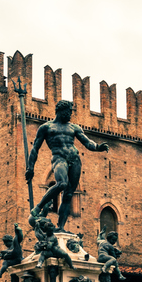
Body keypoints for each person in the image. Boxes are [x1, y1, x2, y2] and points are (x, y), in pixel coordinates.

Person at [27, 99, 109, 231]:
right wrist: (30, 168)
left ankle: (61, 227)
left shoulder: (74, 128)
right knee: (62, 184)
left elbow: (87, 142)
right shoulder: (46, 128)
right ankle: (39, 207)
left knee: (69, 194)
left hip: (75, 160)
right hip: (59, 158)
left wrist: (98, 147)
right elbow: (35, 149)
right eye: (69, 111)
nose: (70, 114)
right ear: (60, 111)